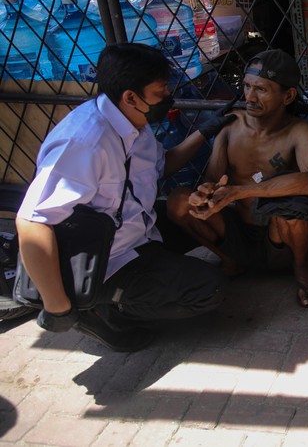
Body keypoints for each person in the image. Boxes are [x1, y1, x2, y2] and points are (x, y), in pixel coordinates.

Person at [15, 43, 232, 352]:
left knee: (196, 216)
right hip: (105, 259)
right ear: (131, 96)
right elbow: (31, 222)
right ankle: (103, 310)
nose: (167, 97)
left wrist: (209, 128)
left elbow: (162, 165)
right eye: (161, 92)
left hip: (135, 231)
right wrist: (57, 306)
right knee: (209, 289)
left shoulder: (133, 124)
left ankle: (134, 289)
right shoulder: (85, 143)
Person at [166, 49, 308, 307]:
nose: (249, 97)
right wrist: (205, 193)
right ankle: (229, 260)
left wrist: (241, 191)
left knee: (294, 206)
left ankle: (301, 266)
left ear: (287, 96)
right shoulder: (231, 125)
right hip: (237, 234)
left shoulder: (298, 131)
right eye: (247, 86)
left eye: (261, 89)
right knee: (178, 201)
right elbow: (212, 179)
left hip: (279, 239)